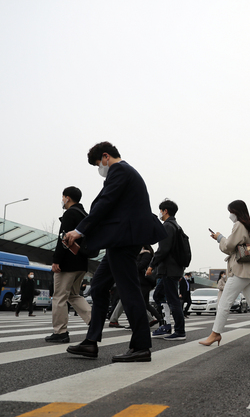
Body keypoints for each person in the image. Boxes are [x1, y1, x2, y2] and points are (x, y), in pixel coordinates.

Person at [64, 141, 166, 362]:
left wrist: (80, 230)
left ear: (106, 157)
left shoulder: (120, 170)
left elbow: (106, 203)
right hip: (119, 241)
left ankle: (141, 346)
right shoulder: (126, 172)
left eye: (98, 164)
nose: (99, 169)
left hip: (123, 240)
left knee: (128, 291)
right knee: (99, 287)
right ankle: (91, 342)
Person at [200, 200, 250, 346]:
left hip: (239, 271)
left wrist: (219, 237)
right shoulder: (248, 226)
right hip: (249, 271)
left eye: (231, 211)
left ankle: (215, 334)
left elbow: (228, 246)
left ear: (236, 211)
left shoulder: (239, 225)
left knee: (224, 303)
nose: (230, 215)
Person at [47, 187, 93, 342]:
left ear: (67, 198)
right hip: (81, 263)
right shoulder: (84, 215)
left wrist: (56, 260)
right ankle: (94, 322)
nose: (62, 200)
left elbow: (63, 239)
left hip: (67, 263)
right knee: (74, 295)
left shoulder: (70, 214)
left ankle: (60, 332)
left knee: (59, 296)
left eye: (63, 197)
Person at [147, 199, 187, 341]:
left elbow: (163, 249)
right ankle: (166, 326)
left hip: (170, 269)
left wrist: (152, 265)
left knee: (173, 300)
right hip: (171, 269)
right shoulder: (176, 226)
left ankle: (180, 331)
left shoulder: (168, 226)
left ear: (165, 211)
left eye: (161, 210)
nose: (160, 213)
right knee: (158, 296)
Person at [138, 245, 163, 326]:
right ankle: (160, 319)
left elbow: (141, 266)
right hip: (143, 282)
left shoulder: (146, 255)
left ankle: (138, 322)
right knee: (145, 304)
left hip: (144, 282)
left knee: (137, 302)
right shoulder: (144, 254)